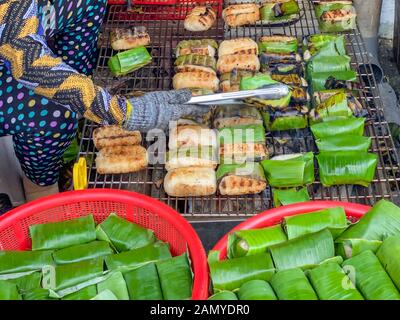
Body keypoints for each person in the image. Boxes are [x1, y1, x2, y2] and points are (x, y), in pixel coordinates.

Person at [0, 0, 203, 201]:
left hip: (31, 24)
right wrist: (119, 110)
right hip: (16, 54)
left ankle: (76, 92)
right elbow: (26, 60)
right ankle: (40, 186)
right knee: (53, 110)